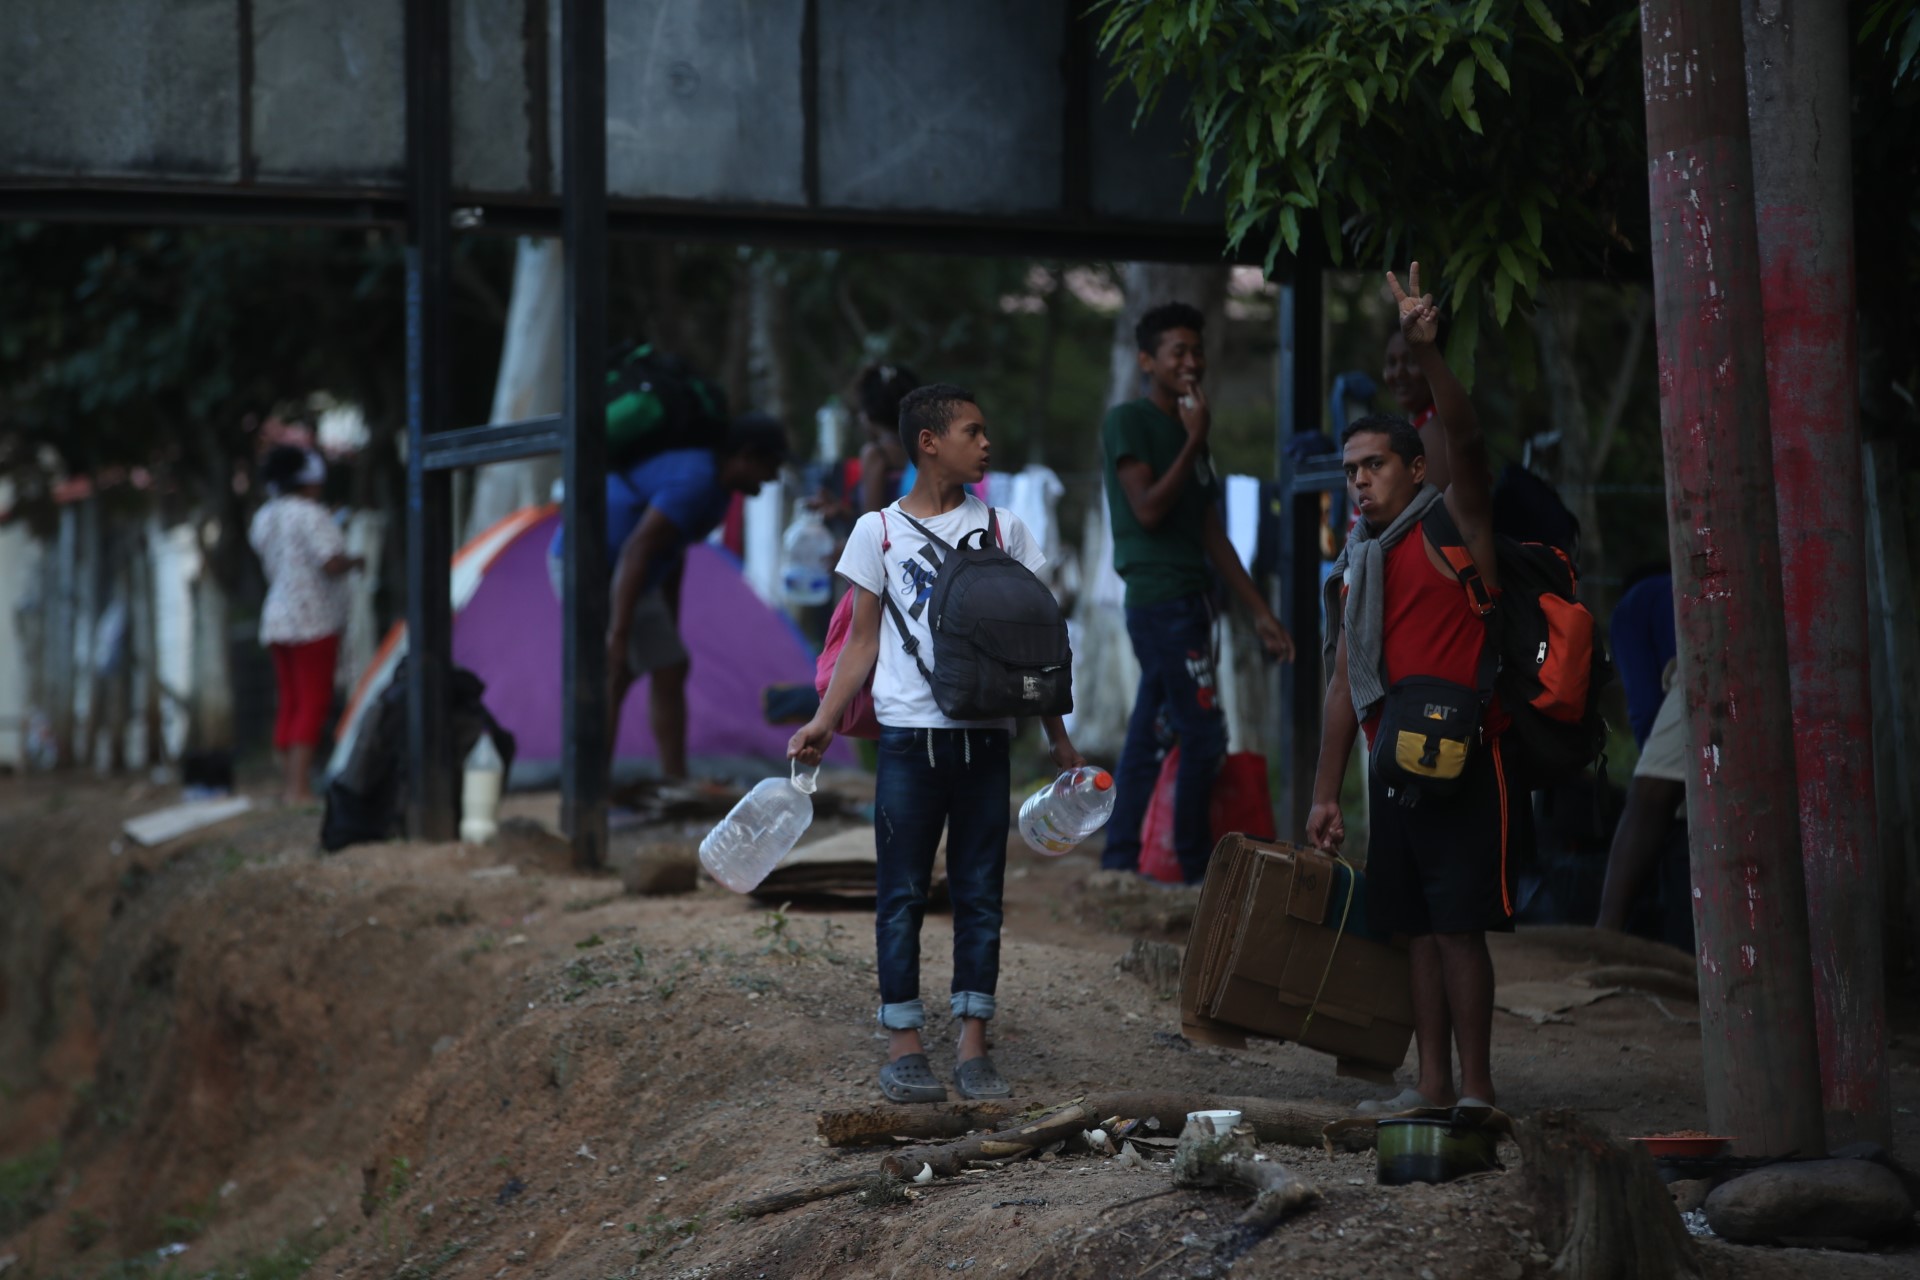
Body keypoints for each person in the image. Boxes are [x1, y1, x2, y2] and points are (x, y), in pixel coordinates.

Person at [790, 384, 1084, 1104]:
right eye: (972, 432)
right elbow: (861, 643)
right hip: (908, 744)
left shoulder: (1007, 531)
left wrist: (1058, 738)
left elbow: (1038, 646)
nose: (986, 444)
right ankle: (904, 1044)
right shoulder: (876, 532)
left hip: (986, 742)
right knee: (901, 895)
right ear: (929, 442)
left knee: (982, 895)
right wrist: (824, 724)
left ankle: (974, 1045)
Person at [1307, 263, 1531, 1113]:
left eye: (1376, 465)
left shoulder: (1452, 519)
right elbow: (1342, 683)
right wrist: (1328, 794)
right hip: (1391, 766)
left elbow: (1467, 445)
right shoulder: (1356, 566)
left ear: (1413, 465)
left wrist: (1429, 353)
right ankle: (1431, 1088)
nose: (1360, 480)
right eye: (1351, 468)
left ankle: (1477, 1092)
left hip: (1471, 759)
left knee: (1458, 926)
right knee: (1415, 931)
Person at [1098, 302, 1295, 884]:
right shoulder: (1129, 422)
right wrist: (1193, 440)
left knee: (1151, 729)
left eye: (1196, 350)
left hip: (1193, 600)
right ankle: (1192, 870)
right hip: (1160, 602)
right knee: (1204, 733)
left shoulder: (1192, 434)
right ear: (1147, 360)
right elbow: (1149, 509)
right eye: (1176, 351)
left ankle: (1119, 858)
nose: (1191, 361)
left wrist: (1260, 611)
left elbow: (1212, 532)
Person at [549, 413, 789, 781]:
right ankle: (591, 788)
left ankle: (675, 780)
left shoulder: (716, 493)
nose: (771, 478)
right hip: (586, 564)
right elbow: (637, 551)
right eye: (769, 466)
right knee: (612, 671)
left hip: (629, 576)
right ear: (746, 455)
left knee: (670, 663)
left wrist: (669, 622)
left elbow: (670, 555)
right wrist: (618, 636)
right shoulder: (696, 480)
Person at [250, 446, 364, 805]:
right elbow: (330, 562)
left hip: (277, 618)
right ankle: (298, 789)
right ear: (309, 481)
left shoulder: (265, 516)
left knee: (290, 701)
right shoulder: (311, 514)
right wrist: (356, 560)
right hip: (312, 620)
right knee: (313, 701)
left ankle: (288, 784)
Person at [1383, 324, 1450, 491]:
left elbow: (1431, 513)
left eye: (1411, 361)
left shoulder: (1436, 431)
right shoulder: (1420, 425)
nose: (1399, 373)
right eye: (1392, 363)